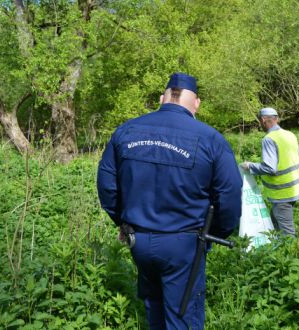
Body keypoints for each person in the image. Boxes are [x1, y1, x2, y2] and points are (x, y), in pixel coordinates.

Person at [97, 72, 242, 329]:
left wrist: (122, 221)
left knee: (154, 309)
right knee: (182, 316)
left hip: (139, 240)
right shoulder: (210, 139)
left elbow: (107, 185)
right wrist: (217, 231)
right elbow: (229, 193)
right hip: (183, 244)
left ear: (162, 97)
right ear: (196, 102)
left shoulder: (126, 131)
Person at [240, 107, 299, 237]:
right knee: (275, 223)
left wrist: (250, 166)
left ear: (263, 120)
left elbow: (270, 168)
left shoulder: (269, 139)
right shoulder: (289, 135)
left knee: (287, 232)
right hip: (294, 188)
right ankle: (275, 249)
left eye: (259, 121)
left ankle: (292, 254)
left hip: (282, 193)